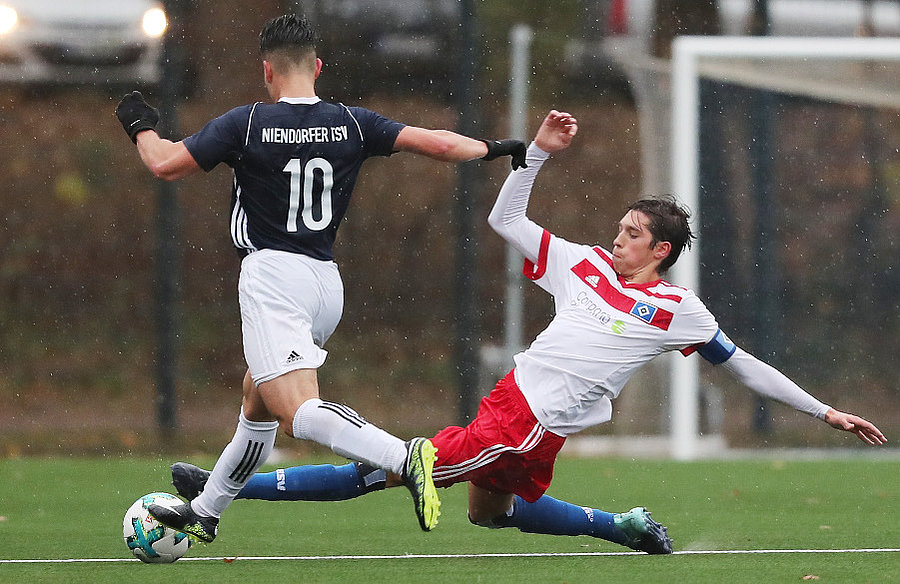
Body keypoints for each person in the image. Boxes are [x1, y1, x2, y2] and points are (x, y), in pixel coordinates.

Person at [162, 111, 886, 553]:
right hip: (510, 403)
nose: (619, 237)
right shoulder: (587, 266)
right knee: (488, 514)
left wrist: (822, 411)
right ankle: (623, 527)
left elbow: (742, 364)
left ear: (660, 251)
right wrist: (533, 156)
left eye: (633, 234)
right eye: (622, 228)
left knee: (387, 470)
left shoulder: (679, 312)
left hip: (531, 422)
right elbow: (504, 221)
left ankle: (229, 490)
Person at [114, 13, 528, 543]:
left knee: (296, 413)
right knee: (257, 402)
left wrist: (138, 123)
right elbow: (440, 144)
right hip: (325, 283)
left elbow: (166, 164)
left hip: (273, 276)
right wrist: (493, 148)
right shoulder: (353, 123)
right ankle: (207, 511)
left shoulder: (247, 123)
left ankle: (404, 456)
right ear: (318, 66)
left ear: (267, 71)